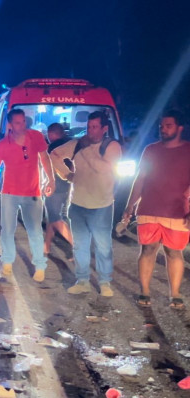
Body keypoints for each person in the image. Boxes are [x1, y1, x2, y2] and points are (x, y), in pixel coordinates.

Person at [122, 110, 190, 309]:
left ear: (180, 128)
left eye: (168, 126)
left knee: (174, 252)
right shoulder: (151, 150)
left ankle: (175, 294)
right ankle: (144, 291)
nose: (163, 129)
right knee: (148, 250)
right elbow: (140, 178)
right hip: (149, 208)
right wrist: (130, 204)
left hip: (178, 211)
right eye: (161, 126)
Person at [51, 111, 122, 297]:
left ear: (104, 128)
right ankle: (82, 280)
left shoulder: (111, 146)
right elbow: (54, 154)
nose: (90, 131)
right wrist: (67, 175)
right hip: (77, 203)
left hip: (102, 204)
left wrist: (87, 149)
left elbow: (102, 169)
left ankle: (104, 282)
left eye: (94, 127)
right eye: (88, 127)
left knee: (103, 246)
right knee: (80, 245)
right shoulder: (77, 143)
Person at [0, 109, 56, 282]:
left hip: (33, 193)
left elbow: (45, 158)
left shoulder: (35, 137)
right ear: (10, 124)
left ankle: (39, 265)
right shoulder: (2, 144)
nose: (21, 125)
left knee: (35, 231)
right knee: (7, 230)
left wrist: (51, 180)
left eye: (23, 121)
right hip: (9, 193)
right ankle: (7, 261)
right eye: (17, 122)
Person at [44, 123, 74, 257]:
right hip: (69, 184)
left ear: (52, 134)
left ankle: (77, 246)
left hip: (56, 185)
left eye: (49, 135)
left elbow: (49, 166)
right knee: (52, 215)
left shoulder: (54, 147)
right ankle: (47, 246)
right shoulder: (71, 143)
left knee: (55, 217)